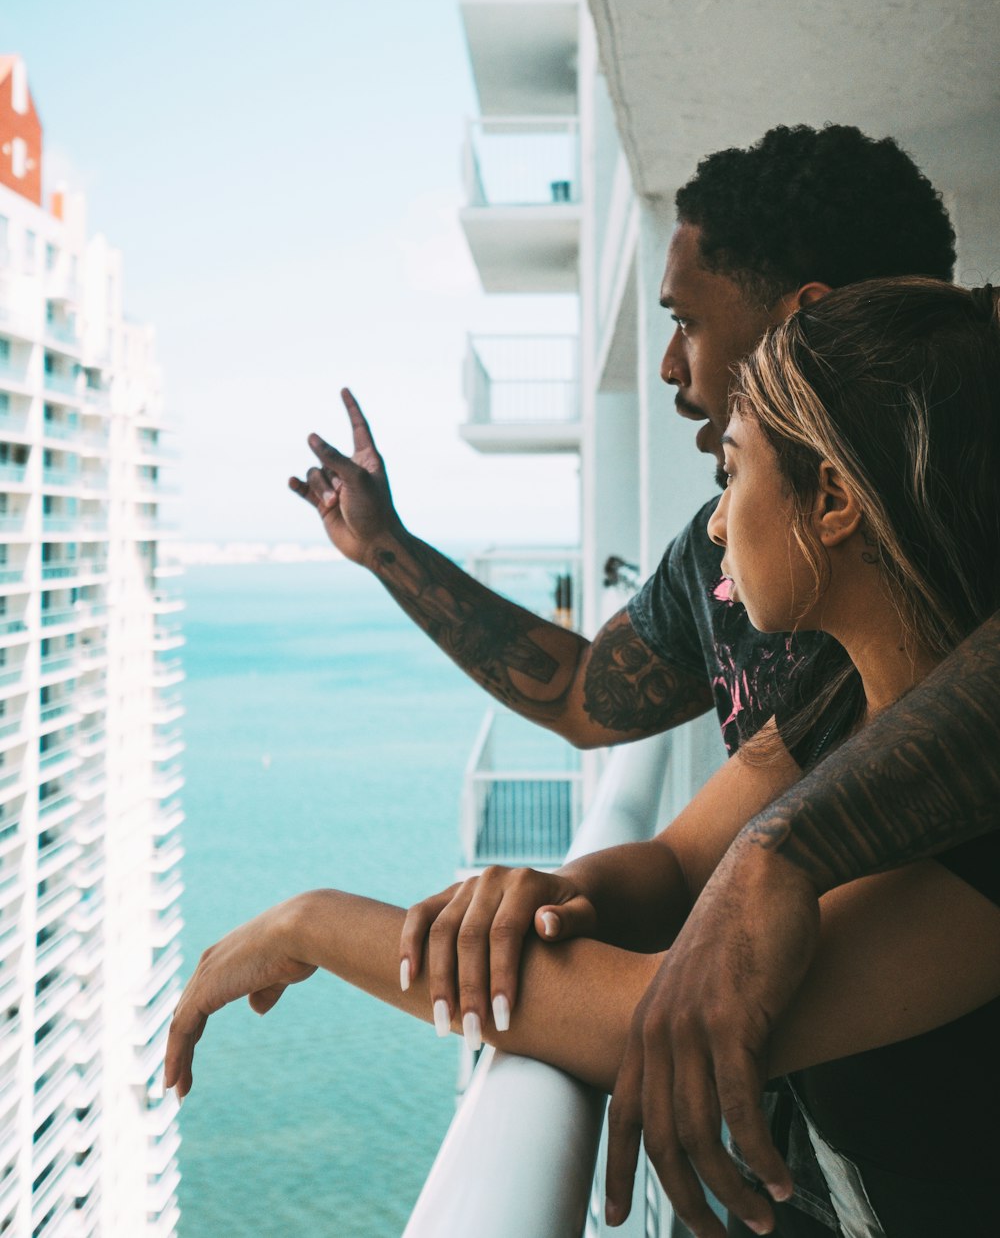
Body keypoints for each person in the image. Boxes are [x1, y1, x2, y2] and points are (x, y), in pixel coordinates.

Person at [167, 277, 1000, 1238]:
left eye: (733, 472)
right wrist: (556, 888)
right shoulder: (840, 699)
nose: (718, 523)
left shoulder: (975, 843)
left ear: (835, 499)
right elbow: (684, 865)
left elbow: (632, 1019)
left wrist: (308, 925)